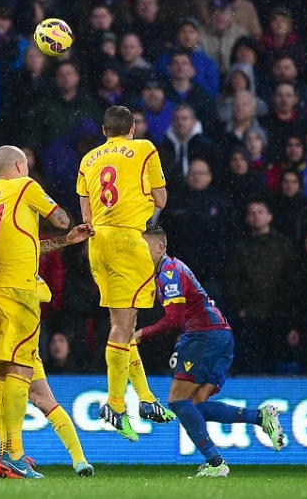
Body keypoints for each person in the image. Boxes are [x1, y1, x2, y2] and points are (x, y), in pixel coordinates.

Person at [135, 224, 286, 477]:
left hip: (203, 334)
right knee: (196, 405)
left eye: (144, 245)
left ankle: (215, 463)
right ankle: (261, 418)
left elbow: (173, 320)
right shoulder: (170, 268)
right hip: (221, 334)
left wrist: (141, 333)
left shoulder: (168, 271)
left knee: (177, 401)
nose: (139, 250)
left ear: (160, 247)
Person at [0, 145, 85, 479]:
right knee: (20, 371)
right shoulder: (25, 185)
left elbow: (25, 247)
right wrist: (64, 220)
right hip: (19, 291)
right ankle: (13, 454)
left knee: (4, 373)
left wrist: (65, 242)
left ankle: (6, 454)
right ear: (18, 165)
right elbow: (60, 218)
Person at [76, 105, 174, 442]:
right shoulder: (144, 148)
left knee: (123, 325)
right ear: (132, 129)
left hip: (97, 243)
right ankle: (115, 406)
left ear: (104, 131)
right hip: (128, 240)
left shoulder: (88, 159)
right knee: (122, 328)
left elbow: (86, 213)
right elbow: (161, 198)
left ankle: (145, 399)